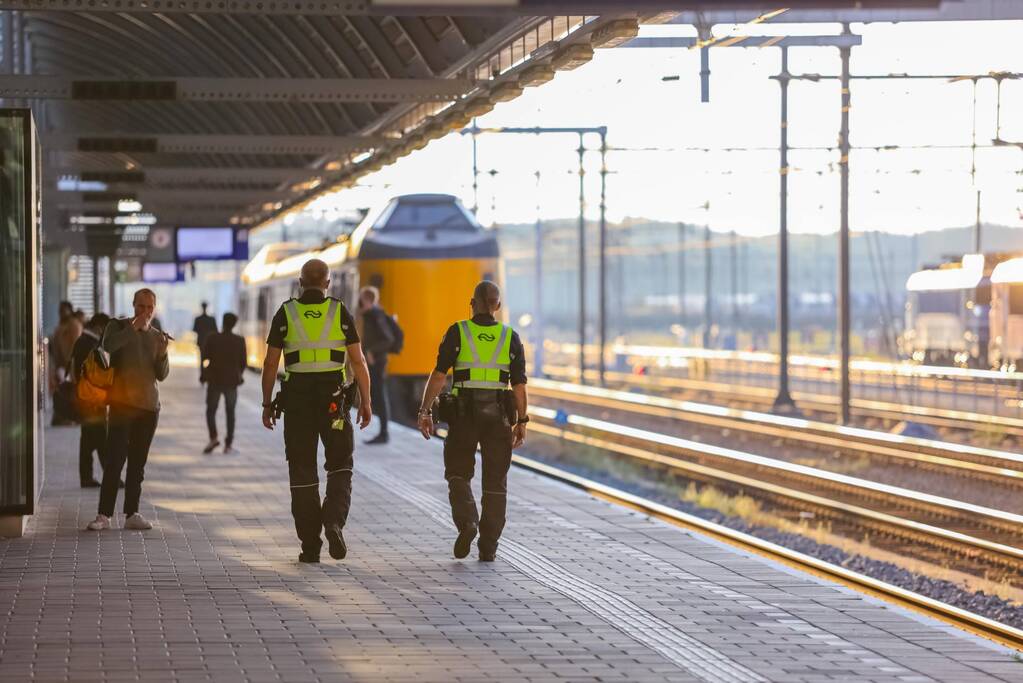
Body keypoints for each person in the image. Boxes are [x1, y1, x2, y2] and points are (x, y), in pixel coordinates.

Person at [261, 259, 372, 564]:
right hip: (333, 403)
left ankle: (310, 546)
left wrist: (267, 403)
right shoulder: (339, 312)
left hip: (296, 402)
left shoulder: (286, 313)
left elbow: (271, 364)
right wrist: (366, 401)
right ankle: (333, 521)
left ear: (299, 283)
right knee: (340, 465)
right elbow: (358, 362)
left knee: (302, 470)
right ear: (327, 284)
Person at [416, 281, 528, 562]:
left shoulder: (458, 332)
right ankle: (488, 546)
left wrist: (425, 411)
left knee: (458, 473)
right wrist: (522, 421)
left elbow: (440, 375)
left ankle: (468, 522)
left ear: (472, 303)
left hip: (464, 415)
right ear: (497, 306)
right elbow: (519, 386)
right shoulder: (509, 337)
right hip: (499, 416)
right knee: (495, 482)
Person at [86, 288, 169, 531]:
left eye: (149, 308)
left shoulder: (157, 336)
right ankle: (104, 515)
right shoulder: (117, 326)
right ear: (133, 305)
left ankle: (132, 513)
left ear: (154, 309)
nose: (145, 312)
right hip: (122, 405)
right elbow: (108, 346)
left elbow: (162, 375)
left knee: (137, 464)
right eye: (141, 306)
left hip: (148, 407)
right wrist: (133, 327)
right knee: (114, 461)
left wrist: (163, 353)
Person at [70, 312, 111, 488]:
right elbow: (95, 375)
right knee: (102, 439)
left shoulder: (83, 342)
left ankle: (86, 477)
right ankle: (111, 478)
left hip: (86, 399)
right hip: (92, 401)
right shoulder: (89, 345)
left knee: (87, 440)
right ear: (99, 327)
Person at [201, 312, 247, 454]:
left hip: (214, 380)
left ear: (223, 322)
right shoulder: (239, 340)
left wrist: (204, 374)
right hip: (231, 381)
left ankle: (213, 438)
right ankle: (228, 445)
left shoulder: (212, 338)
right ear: (234, 324)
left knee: (211, 411)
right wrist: (238, 374)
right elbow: (243, 363)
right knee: (230, 413)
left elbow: (204, 358)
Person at [357, 286, 395, 445]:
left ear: (367, 299)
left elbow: (388, 339)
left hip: (377, 362)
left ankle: (384, 433)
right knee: (378, 396)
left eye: (361, 299)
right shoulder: (371, 314)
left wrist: (372, 352)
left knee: (380, 396)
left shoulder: (375, 315)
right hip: (375, 361)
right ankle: (382, 432)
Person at [49, 300, 83, 425]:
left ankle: (69, 417)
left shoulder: (74, 325)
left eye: (63, 310)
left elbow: (74, 346)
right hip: (63, 364)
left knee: (70, 391)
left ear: (69, 310)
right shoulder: (60, 327)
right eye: (60, 311)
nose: (61, 313)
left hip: (70, 364)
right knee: (63, 391)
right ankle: (63, 417)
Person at [193, 301, 217, 380]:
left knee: (202, 359)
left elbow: (194, 329)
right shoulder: (212, 319)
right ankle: (208, 375)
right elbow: (215, 330)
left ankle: (203, 375)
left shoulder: (198, 319)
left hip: (201, 341)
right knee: (211, 358)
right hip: (211, 342)